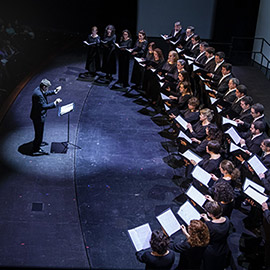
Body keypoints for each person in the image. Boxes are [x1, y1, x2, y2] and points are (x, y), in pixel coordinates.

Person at [30, 79, 62, 155]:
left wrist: (54, 91)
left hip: (38, 115)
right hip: (38, 117)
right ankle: (36, 148)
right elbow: (44, 106)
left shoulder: (39, 89)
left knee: (40, 132)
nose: (47, 89)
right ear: (44, 86)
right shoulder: (38, 94)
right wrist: (55, 103)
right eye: (47, 87)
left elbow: (45, 93)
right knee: (39, 133)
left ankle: (38, 142)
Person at [200, 201, 231, 270]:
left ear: (210, 214)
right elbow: (216, 225)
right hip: (223, 248)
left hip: (212, 251)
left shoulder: (208, 226)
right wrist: (207, 219)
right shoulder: (227, 219)